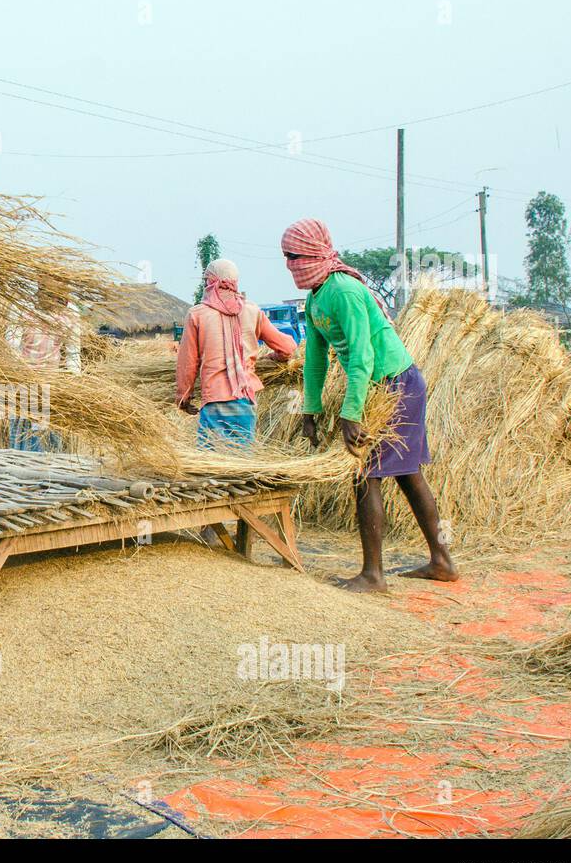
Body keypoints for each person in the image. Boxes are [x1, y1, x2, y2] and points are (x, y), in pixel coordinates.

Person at [280, 218, 458, 593]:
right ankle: (441, 562)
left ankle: (373, 575)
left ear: (312, 255)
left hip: (396, 384)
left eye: (293, 256)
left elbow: (361, 356)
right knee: (407, 475)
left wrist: (351, 414)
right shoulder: (316, 297)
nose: (289, 264)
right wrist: (309, 409)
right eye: (285, 257)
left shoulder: (343, 291)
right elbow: (315, 357)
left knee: (366, 475)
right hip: (381, 386)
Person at [176, 258, 297, 445]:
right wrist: (275, 357)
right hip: (245, 399)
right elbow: (288, 348)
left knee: (211, 463)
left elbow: (188, 364)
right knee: (241, 460)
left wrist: (184, 397)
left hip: (214, 401)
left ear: (209, 282)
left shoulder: (197, 314)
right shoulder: (252, 311)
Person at [5, 286, 80, 452]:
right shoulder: (22, 307)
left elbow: (73, 354)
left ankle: (47, 473)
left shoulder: (71, 313)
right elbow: (12, 347)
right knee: (21, 434)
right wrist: (22, 377)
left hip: (52, 384)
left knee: (49, 436)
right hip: (22, 381)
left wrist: (74, 384)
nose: (59, 302)